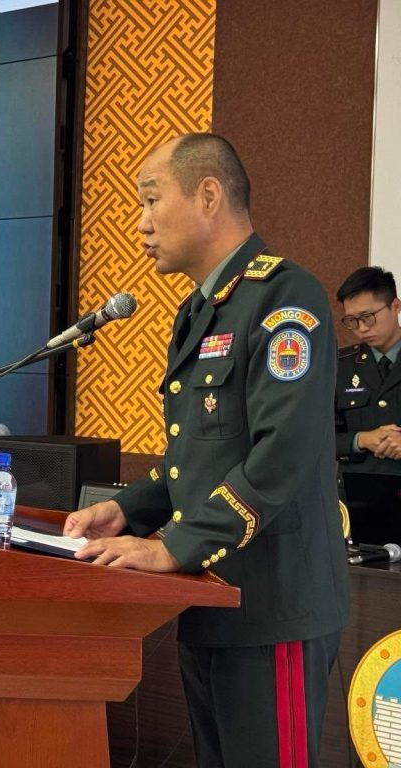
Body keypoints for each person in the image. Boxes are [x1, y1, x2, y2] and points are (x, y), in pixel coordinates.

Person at [63, 133, 348, 767]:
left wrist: (174, 546)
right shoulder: (200, 311)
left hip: (271, 604)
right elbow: (195, 459)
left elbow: (284, 451)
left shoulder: (283, 297)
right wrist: (128, 510)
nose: (140, 223)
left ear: (209, 195)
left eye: (151, 199)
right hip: (210, 598)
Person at [334, 266, 401, 472]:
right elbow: (317, 436)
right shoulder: (340, 366)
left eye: (368, 317)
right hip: (357, 488)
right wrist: (361, 439)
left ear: (395, 306)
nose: (362, 328)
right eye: (352, 321)